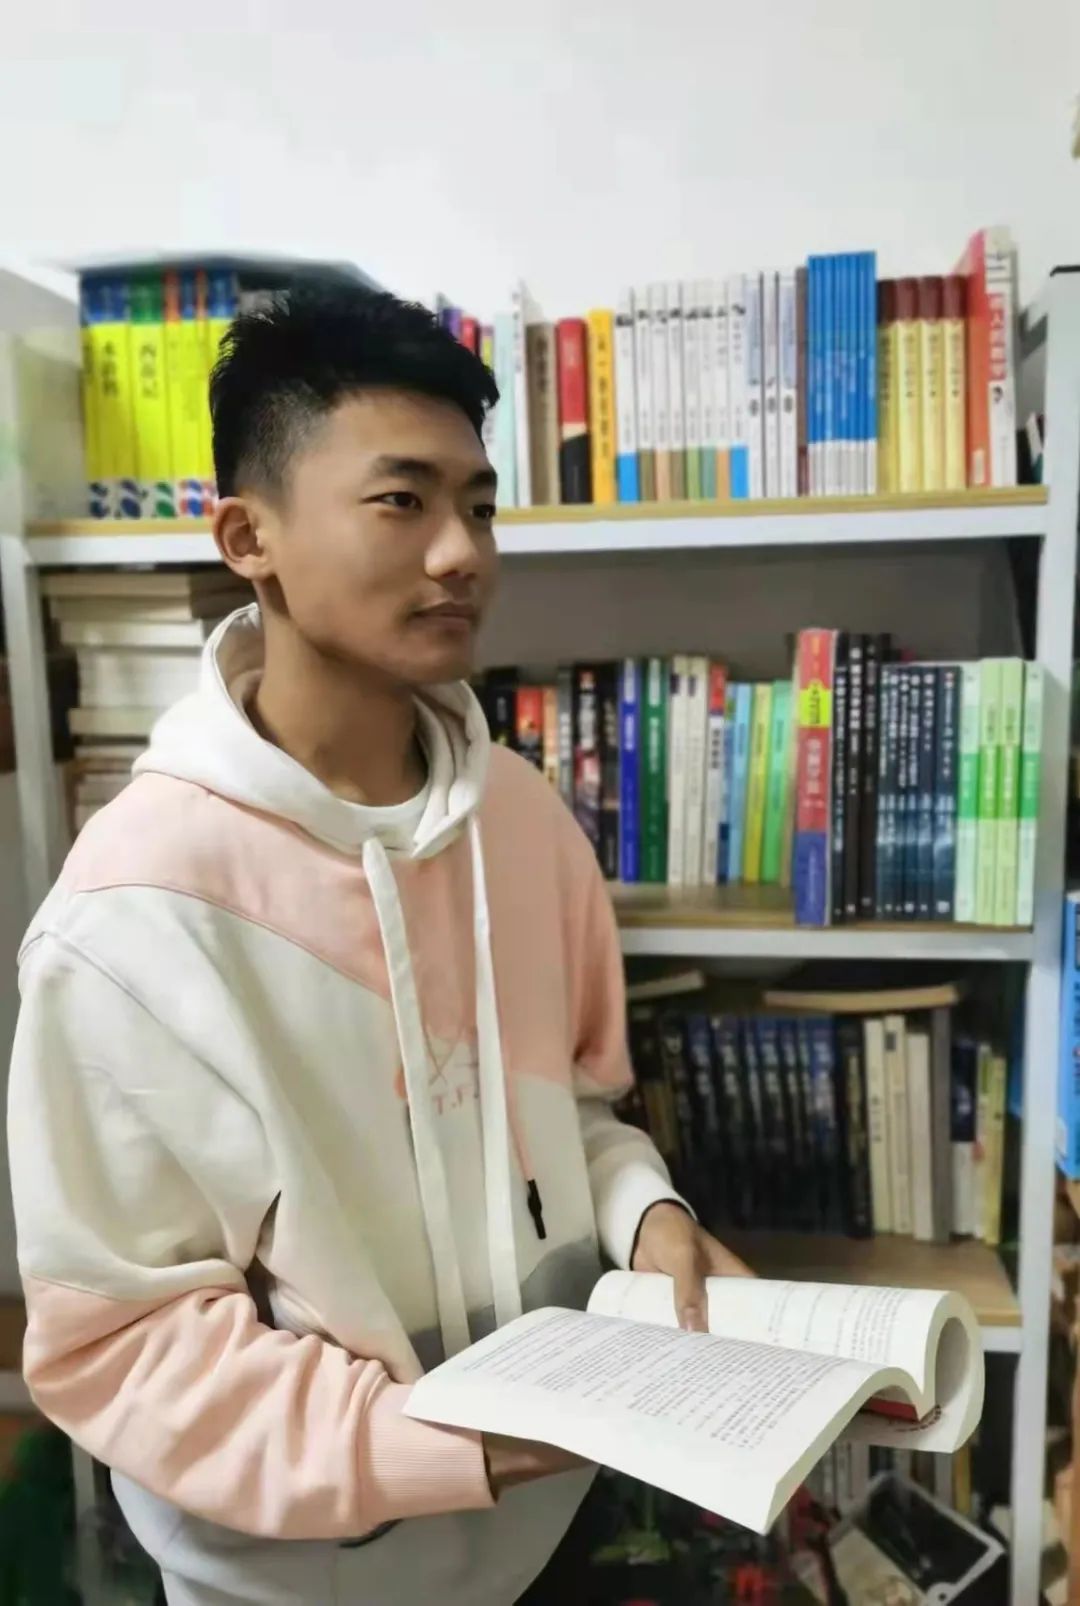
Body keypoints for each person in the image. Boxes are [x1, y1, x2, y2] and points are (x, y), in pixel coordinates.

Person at [9, 286, 749, 1606]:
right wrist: (447, 1446)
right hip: (293, 1579)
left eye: (481, 505)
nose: (461, 552)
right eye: (402, 500)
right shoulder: (132, 911)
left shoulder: (524, 820)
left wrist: (648, 1214)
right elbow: (125, 1343)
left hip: (553, 1518)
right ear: (249, 536)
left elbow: (573, 1110)